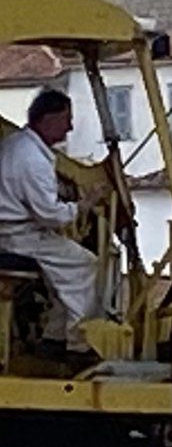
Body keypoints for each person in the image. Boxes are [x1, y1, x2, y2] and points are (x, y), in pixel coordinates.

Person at [0, 87, 105, 351]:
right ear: (47, 119)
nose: (70, 128)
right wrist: (84, 205)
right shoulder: (32, 159)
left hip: (13, 231)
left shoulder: (16, 144)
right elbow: (50, 216)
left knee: (63, 269)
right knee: (85, 264)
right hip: (19, 237)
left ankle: (55, 336)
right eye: (66, 119)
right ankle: (79, 341)